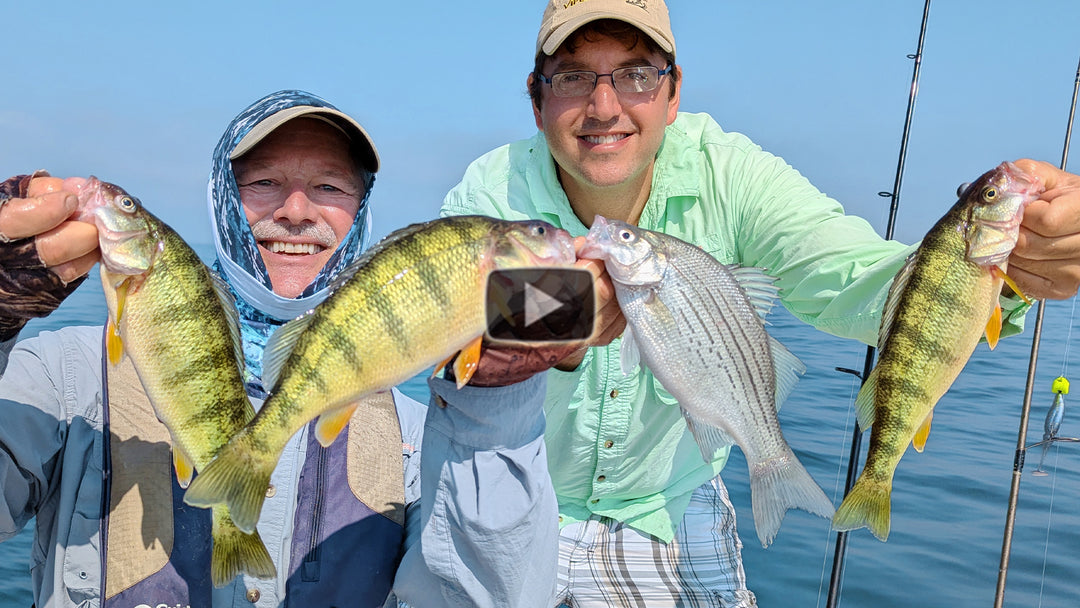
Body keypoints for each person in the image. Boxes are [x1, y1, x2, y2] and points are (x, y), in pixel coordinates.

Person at [439, 1, 1080, 606]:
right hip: (512, 494)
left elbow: (855, 280)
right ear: (535, 98)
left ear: (673, 92)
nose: (604, 106)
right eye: (574, 77)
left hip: (672, 503)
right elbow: (454, 333)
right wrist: (576, 307)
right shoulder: (490, 190)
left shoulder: (734, 175)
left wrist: (1011, 269)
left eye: (635, 74)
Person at [0, 90, 566, 608]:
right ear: (222, 198)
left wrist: (499, 405)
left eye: (329, 187)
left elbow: (494, 596)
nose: (297, 211)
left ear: (361, 211)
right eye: (264, 182)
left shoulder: (419, 437)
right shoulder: (63, 374)